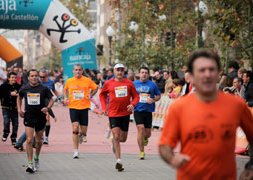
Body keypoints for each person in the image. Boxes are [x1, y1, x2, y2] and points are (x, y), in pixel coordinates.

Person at [158, 49, 253, 180]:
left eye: (211, 69)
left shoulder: (237, 105)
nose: (207, 74)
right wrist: (172, 158)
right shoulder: (179, 107)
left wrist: (251, 166)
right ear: (191, 76)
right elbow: (164, 145)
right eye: (201, 70)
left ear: (219, 74)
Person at [99, 63, 139, 171]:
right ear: (114, 71)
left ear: (124, 71)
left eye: (122, 70)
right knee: (116, 136)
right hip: (113, 113)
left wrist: (133, 105)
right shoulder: (108, 83)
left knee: (123, 139)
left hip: (125, 113)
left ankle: (114, 142)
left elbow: (136, 96)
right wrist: (103, 108)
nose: (120, 72)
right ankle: (119, 160)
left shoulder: (129, 83)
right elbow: (102, 95)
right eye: (118, 70)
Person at [17, 69, 54, 173]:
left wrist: (47, 108)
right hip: (29, 116)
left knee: (38, 140)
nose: (34, 77)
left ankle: (36, 158)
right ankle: (30, 163)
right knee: (29, 140)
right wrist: (19, 109)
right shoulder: (24, 88)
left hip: (40, 117)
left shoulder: (44, 88)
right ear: (28, 77)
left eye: (36, 76)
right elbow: (19, 98)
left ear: (38, 77)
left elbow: (52, 99)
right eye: (32, 76)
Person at [63, 64, 98, 159]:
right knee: (75, 128)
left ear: (82, 71)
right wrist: (65, 98)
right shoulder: (69, 81)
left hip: (84, 108)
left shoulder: (87, 80)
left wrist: (90, 95)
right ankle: (76, 151)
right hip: (73, 107)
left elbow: (95, 88)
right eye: (76, 70)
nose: (78, 71)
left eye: (79, 70)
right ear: (73, 71)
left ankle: (82, 135)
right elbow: (65, 89)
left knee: (83, 130)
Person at [133, 67, 161, 160]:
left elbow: (158, 95)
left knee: (148, 133)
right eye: (142, 72)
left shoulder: (152, 85)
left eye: (146, 72)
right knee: (140, 129)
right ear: (139, 74)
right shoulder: (134, 84)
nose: (144, 74)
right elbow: (129, 95)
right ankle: (141, 152)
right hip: (138, 110)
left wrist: (153, 99)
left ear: (148, 74)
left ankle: (145, 138)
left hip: (148, 110)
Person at [39, 69, 58, 144]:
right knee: (40, 121)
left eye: (43, 77)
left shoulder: (51, 82)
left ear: (47, 76)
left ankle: (46, 137)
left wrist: (57, 97)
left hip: (47, 102)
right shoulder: (37, 81)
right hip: (38, 103)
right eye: (40, 77)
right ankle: (40, 135)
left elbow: (53, 91)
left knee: (47, 118)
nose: (42, 79)